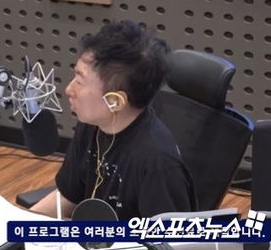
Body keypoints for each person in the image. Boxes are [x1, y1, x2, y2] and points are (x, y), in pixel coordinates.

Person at [31, 20, 196, 220]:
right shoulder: (92, 124)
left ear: (115, 102)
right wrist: (13, 227)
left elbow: (169, 237)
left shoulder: (158, 165)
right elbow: (67, 197)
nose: (68, 89)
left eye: (79, 81)